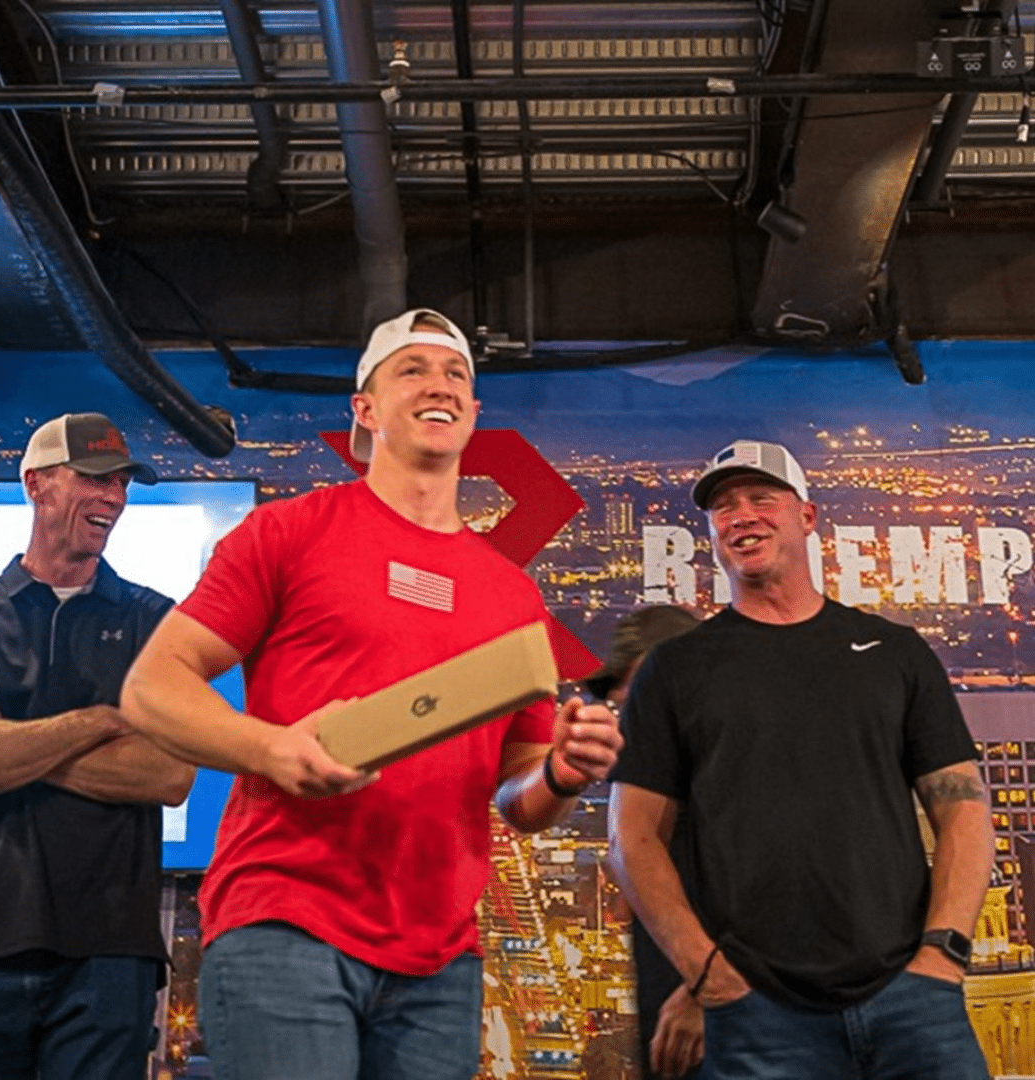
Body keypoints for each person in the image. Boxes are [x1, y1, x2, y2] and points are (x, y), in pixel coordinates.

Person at [120, 308, 624, 1080]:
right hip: (284, 923)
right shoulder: (287, 533)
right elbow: (152, 689)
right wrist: (273, 748)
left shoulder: (510, 595)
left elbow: (518, 799)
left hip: (439, 959)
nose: (440, 384)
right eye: (412, 370)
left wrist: (561, 770)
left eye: (456, 373)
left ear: (475, 412)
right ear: (365, 408)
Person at [607, 439, 994, 1080]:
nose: (742, 516)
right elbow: (633, 836)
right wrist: (705, 972)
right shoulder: (677, 670)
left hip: (912, 1000)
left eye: (762, 498)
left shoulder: (895, 653)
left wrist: (943, 955)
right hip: (757, 1014)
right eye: (724, 507)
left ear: (806, 517)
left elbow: (963, 812)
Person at [0, 412, 195, 1080]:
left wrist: (3, 735)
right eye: (94, 478)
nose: (114, 497)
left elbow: (170, 775)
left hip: (110, 950)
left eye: (121, 481)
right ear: (35, 484)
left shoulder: (156, 619)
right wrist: (99, 720)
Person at [585, 604, 703, 1080]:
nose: (621, 699)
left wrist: (705, 990)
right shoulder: (648, 785)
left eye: (642, 683)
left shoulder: (739, 778)